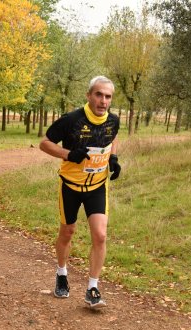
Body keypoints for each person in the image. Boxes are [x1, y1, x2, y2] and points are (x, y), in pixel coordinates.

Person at [39, 76, 121, 309]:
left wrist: (113, 158)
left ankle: (92, 288)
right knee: (68, 231)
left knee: (100, 235)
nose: (103, 100)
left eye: (107, 96)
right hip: (71, 186)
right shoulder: (72, 120)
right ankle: (62, 273)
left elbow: (113, 136)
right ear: (89, 95)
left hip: (97, 186)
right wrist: (67, 154)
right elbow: (44, 143)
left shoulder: (113, 121)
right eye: (98, 94)